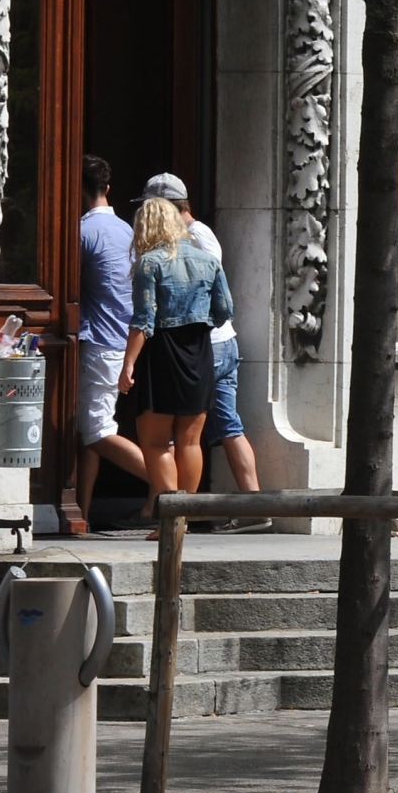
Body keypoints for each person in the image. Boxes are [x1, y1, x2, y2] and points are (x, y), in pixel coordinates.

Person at [144, 173, 269, 534]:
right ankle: (254, 503)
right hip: (223, 342)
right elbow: (223, 303)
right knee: (226, 425)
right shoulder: (205, 235)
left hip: (201, 347)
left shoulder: (191, 239)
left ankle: (170, 513)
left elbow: (200, 297)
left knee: (173, 432)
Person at [119, 195, 233, 537]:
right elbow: (225, 308)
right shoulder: (207, 260)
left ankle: (168, 523)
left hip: (161, 353)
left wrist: (128, 364)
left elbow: (143, 320)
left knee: (155, 443)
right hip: (199, 352)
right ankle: (183, 518)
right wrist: (198, 325)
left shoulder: (149, 263)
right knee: (190, 441)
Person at [74, 156, 149, 524]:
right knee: (90, 430)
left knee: (97, 431)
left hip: (98, 342)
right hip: (123, 342)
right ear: (107, 188)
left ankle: (170, 485)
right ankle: (81, 514)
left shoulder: (83, 232)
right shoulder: (127, 232)